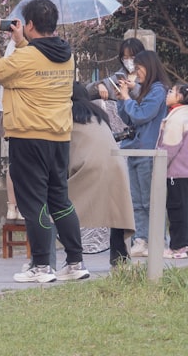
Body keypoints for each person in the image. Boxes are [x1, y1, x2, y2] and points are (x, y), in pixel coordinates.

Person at [0, 0, 88, 283]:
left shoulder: (25, 57)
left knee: (33, 203)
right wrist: (22, 42)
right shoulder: (66, 54)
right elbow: (39, 63)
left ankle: (41, 265)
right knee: (60, 199)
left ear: (29, 24)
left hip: (28, 137)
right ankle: (75, 262)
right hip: (59, 137)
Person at [70, 81, 135, 266]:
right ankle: (119, 257)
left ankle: (72, 258)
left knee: (60, 207)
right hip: (116, 166)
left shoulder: (68, 115)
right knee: (117, 211)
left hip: (88, 168)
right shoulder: (98, 115)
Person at [113, 49, 169, 258]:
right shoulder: (145, 90)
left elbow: (142, 115)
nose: (136, 73)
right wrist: (121, 99)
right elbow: (129, 119)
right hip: (135, 149)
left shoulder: (158, 90)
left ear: (150, 66)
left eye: (138, 68)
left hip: (149, 152)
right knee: (137, 201)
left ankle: (158, 241)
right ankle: (141, 240)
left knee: (149, 201)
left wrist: (129, 96)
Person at [158, 83, 188, 258]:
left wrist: (161, 165)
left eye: (172, 92)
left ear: (180, 97)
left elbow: (171, 147)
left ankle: (177, 247)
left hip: (177, 171)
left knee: (177, 208)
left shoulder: (176, 118)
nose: (168, 94)